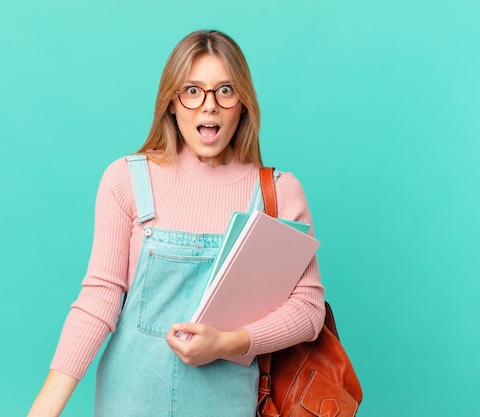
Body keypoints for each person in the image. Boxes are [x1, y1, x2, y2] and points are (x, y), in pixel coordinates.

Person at [27, 29, 325, 417]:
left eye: (225, 90)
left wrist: (228, 342)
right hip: (128, 401)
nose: (209, 106)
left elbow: (308, 309)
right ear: (171, 102)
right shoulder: (127, 181)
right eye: (192, 91)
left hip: (226, 404)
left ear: (243, 103)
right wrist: (46, 407)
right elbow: (98, 298)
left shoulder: (278, 194)